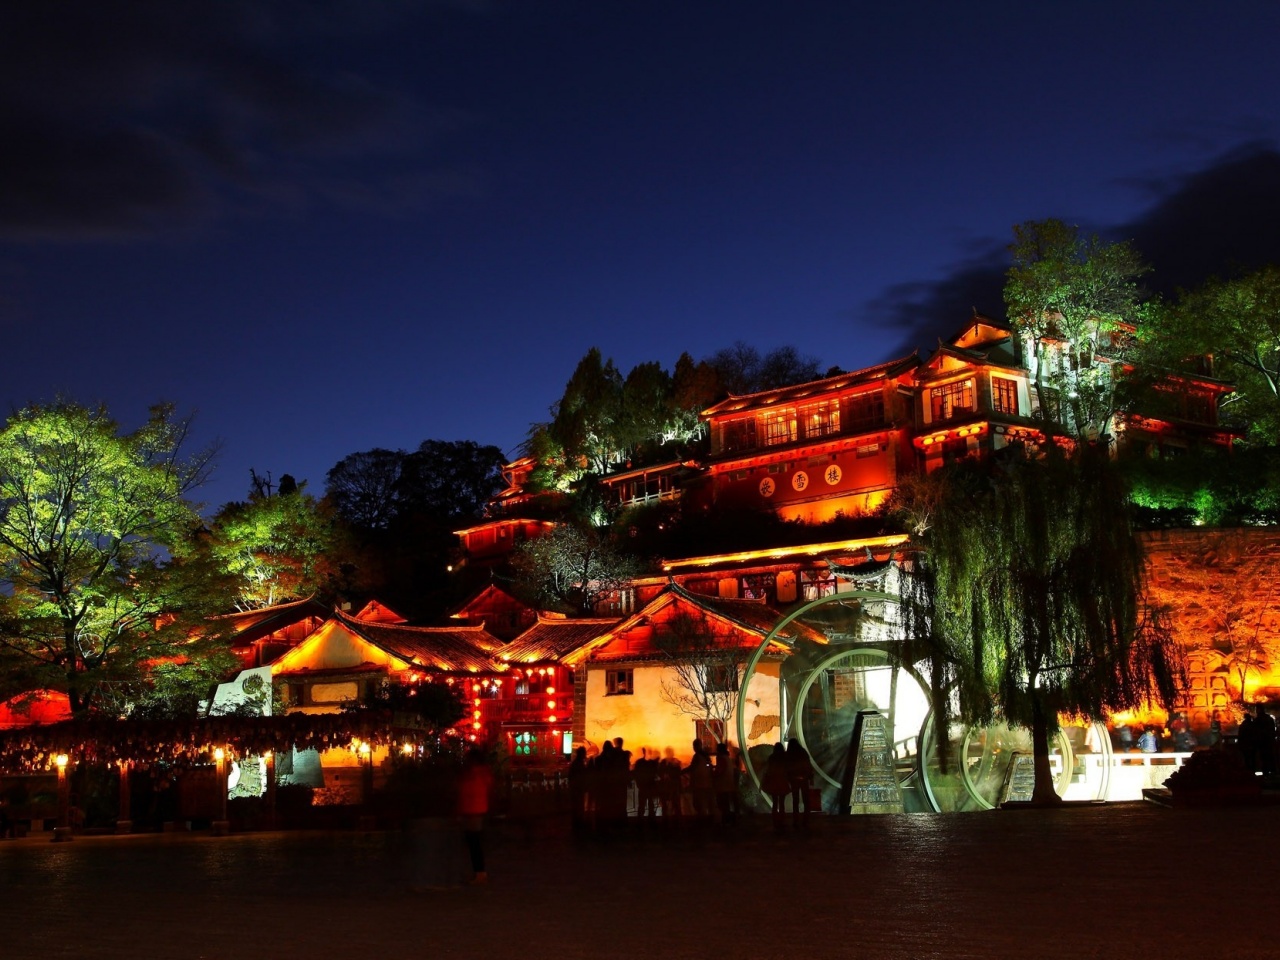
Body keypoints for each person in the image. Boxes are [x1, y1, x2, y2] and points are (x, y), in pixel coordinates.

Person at [457, 748, 493, 884]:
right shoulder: (482, 773)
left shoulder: (472, 774)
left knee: (474, 842)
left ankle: (479, 872)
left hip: (472, 810)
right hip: (476, 808)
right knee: (474, 842)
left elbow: (466, 792)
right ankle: (479, 871)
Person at [785, 738, 815, 823]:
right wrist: (810, 777)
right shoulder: (803, 752)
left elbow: (787, 767)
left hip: (794, 780)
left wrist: (788, 778)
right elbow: (808, 765)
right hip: (804, 779)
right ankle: (806, 819)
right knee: (806, 799)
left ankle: (796, 819)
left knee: (795, 800)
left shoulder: (789, 754)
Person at [762, 742, 790, 830]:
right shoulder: (785, 757)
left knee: (775, 802)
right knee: (782, 803)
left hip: (773, 781)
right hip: (782, 781)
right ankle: (782, 821)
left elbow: (768, 770)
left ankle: (775, 821)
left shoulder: (772, 757)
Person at [713, 742, 739, 826]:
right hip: (728, 784)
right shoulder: (727, 758)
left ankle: (726, 820)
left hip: (723, 785)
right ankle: (729, 820)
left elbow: (720, 771)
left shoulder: (721, 758)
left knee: (723, 803)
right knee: (726, 803)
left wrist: (713, 774)